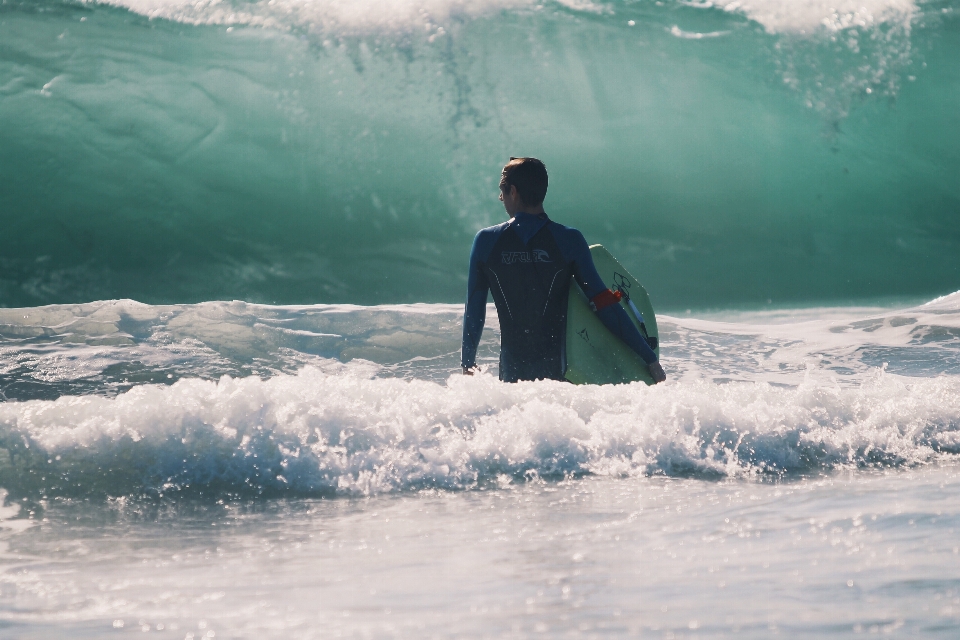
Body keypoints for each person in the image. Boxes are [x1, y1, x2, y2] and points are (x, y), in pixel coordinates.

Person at [461, 157, 667, 383]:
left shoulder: (486, 241)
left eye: (502, 192)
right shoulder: (568, 240)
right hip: (562, 380)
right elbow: (604, 304)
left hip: (512, 380)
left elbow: (474, 311)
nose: (501, 199)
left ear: (513, 191)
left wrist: (468, 365)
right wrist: (649, 358)